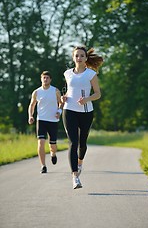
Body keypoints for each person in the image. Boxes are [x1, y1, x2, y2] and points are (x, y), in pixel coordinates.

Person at [62, 46, 103, 189]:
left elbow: (98, 94)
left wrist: (86, 99)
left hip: (86, 112)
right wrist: (64, 98)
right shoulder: (67, 73)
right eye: (76, 56)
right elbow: (69, 91)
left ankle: (80, 163)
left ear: (86, 58)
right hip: (69, 111)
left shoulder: (91, 74)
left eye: (81, 56)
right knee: (73, 142)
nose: (79, 58)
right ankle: (75, 177)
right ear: (73, 58)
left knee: (82, 143)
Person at [28, 71, 62, 173]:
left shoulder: (55, 91)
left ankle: (53, 154)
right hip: (41, 120)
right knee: (41, 142)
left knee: (53, 145)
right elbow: (32, 105)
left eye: (47, 78)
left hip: (53, 120)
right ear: (41, 79)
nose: (45, 79)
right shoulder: (37, 92)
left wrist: (59, 112)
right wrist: (30, 116)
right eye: (44, 78)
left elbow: (61, 103)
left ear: (50, 79)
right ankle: (43, 166)